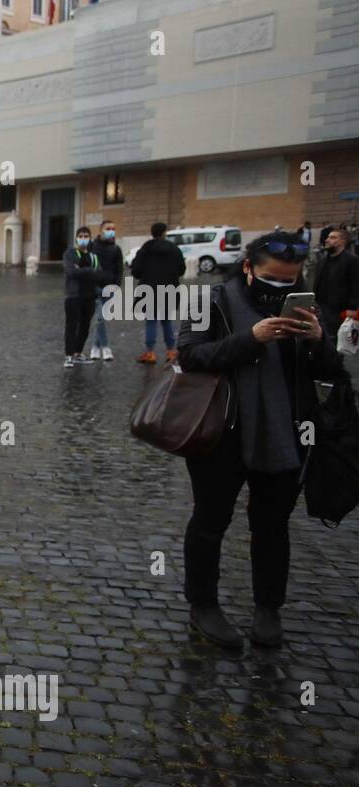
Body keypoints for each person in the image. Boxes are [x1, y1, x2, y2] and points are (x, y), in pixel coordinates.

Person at [177, 231, 348, 649]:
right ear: (249, 268)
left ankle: (268, 608)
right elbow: (190, 355)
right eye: (272, 279)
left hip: (287, 433)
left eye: (289, 281)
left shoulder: (307, 305)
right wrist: (250, 340)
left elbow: (330, 371)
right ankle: (203, 605)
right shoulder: (211, 300)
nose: (281, 288)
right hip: (222, 430)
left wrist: (317, 342)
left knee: (273, 525)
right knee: (210, 519)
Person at [130, 221, 186, 364]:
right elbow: (181, 270)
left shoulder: (145, 249)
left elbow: (136, 271)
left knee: (151, 321)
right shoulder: (174, 249)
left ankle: (150, 353)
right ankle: (171, 351)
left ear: (152, 233)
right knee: (167, 320)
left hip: (149, 290)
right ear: (164, 233)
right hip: (169, 289)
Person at [62, 226, 107, 367]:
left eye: (86, 236)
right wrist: (90, 271)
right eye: (80, 236)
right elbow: (71, 272)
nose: (83, 239)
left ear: (89, 238)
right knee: (71, 326)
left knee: (85, 326)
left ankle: (77, 353)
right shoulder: (70, 254)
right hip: (73, 296)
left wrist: (81, 270)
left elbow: (100, 274)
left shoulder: (94, 256)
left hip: (89, 296)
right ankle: (68, 355)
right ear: (76, 238)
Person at [313, 224, 359, 340]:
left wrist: (352, 307)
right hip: (320, 307)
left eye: (332, 238)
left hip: (339, 309)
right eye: (328, 237)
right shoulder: (322, 261)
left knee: (337, 340)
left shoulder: (352, 260)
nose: (327, 240)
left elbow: (356, 284)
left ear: (342, 242)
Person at [87, 219, 123, 361]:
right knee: (100, 318)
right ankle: (106, 348)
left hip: (109, 288)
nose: (111, 231)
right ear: (101, 230)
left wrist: (116, 285)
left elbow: (119, 270)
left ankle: (95, 347)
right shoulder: (91, 246)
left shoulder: (116, 249)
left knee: (101, 319)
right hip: (94, 287)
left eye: (113, 228)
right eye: (108, 228)